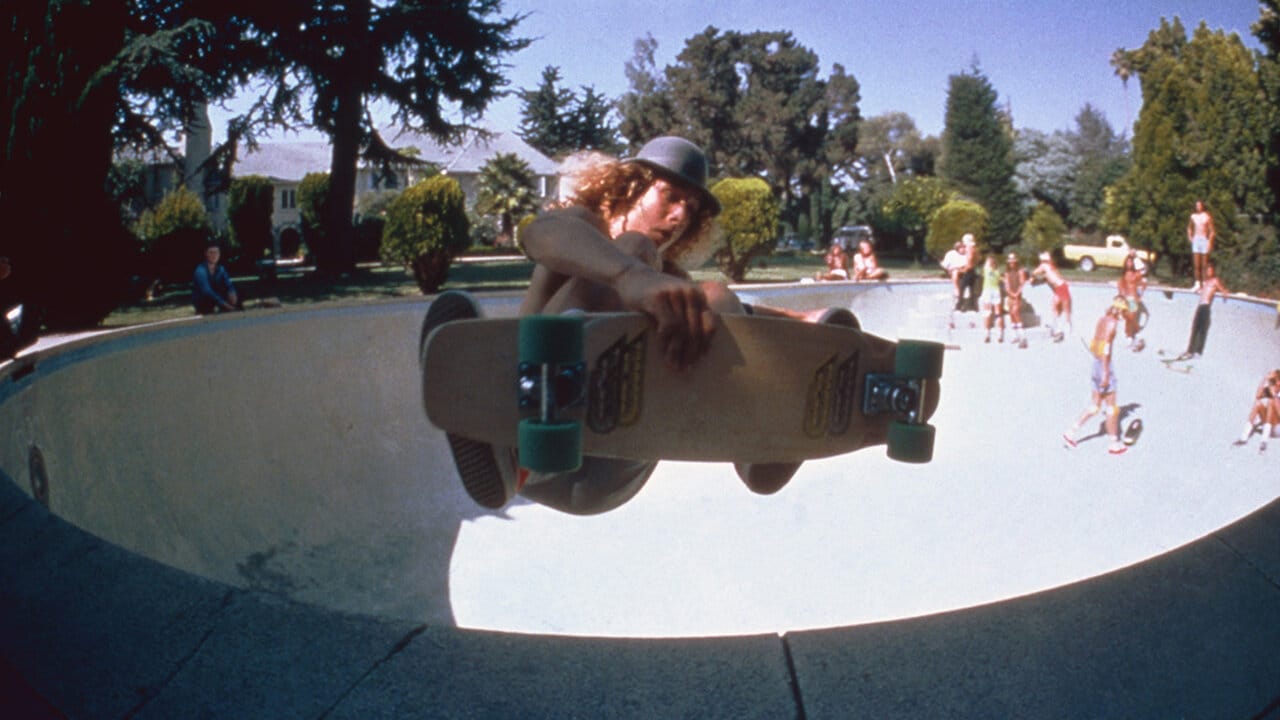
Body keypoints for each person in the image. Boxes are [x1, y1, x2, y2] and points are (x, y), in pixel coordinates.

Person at [423, 136, 846, 515]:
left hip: (616, 463)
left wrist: (807, 329)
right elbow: (539, 234)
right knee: (633, 248)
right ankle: (515, 451)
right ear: (629, 186)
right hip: (540, 445)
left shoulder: (674, 284)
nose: (680, 216)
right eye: (670, 197)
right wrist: (629, 274)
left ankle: (758, 446)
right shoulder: (578, 227)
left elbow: (737, 314)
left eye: (690, 210)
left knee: (713, 296)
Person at [1063, 297, 1129, 455]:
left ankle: (1071, 432)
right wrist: (1106, 373)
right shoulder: (1113, 324)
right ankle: (1114, 444)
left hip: (1096, 364)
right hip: (1105, 367)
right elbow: (1106, 348)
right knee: (1112, 409)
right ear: (1120, 310)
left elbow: (1096, 344)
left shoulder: (1102, 320)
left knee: (1095, 406)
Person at [1182, 262, 1229, 359]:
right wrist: (1197, 290)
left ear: (1213, 271)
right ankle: (1190, 350)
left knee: (1202, 330)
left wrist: (1225, 292)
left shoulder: (1215, 281)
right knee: (1195, 328)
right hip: (1200, 306)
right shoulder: (1205, 282)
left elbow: (1222, 289)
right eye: (1207, 270)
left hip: (1206, 307)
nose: (1209, 272)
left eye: (1210, 270)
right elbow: (1201, 292)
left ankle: (1198, 352)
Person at [1234, 370, 1280, 452]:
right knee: (1258, 404)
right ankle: (1244, 438)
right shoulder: (1271, 388)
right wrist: (1265, 379)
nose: (1272, 383)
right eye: (1272, 380)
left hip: (1278, 428)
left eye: (1274, 380)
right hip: (1270, 426)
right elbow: (1258, 396)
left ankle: (1264, 441)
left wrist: (1274, 396)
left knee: (1271, 402)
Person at [1031, 251, 1071, 341]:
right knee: (1057, 309)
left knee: (1055, 307)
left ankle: (1059, 329)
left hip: (1060, 287)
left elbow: (1034, 272)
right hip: (1062, 287)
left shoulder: (1045, 266)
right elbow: (1041, 281)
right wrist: (1034, 282)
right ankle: (1058, 329)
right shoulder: (1050, 270)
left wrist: (1031, 277)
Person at [192, 242, 241, 315]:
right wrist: (224, 304)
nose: (214, 255)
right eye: (211, 253)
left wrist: (232, 292)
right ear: (206, 254)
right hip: (203, 300)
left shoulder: (221, 268)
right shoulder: (200, 270)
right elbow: (207, 291)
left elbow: (228, 284)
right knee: (207, 296)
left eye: (216, 252)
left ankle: (234, 311)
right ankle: (223, 308)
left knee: (238, 291)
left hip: (217, 296)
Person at [1117, 248, 1148, 351]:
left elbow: (1144, 270)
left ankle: (1133, 336)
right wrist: (1121, 295)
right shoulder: (1124, 275)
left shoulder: (1137, 274)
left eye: (1130, 262)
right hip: (1125, 298)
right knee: (1127, 317)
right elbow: (1120, 285)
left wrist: (1135, 256)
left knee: (1131, 317)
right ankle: (1130, 337)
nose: (1128, 263)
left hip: (1132, 298)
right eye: (1127, 261)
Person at [1001, 252, 1029, 348]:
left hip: (1018, 296)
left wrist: (1017, 293)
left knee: (1015, 311)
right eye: (1010, 262)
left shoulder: (1020, 271)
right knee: (1011, 314)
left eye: (1013, 262)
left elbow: (1022, 283)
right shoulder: (1007, 273)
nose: (1012, 264)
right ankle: (1014, 334)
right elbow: (1006, 285)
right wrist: (1011, 293)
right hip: (1010, 296)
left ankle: (1022, 333)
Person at [1187, 199, 1215, 290]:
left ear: (1202, 206)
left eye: (1199, 205)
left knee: (1204, 264)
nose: (1198, 207)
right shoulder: (1193, 216)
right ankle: (1197, 283)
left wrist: (1210, 242)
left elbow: (1212, 231)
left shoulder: (1207, 216)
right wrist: (1190, 238)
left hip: (1204, 240)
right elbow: (1189, 228)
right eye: (1196, 205)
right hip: (1196, 240)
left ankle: (1204, 283)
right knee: (1196, 264)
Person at [978, 255, 1004, 343]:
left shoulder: (987, 269)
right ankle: (1000, 334)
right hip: (996, 290)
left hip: (988, 291)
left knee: (987, 312)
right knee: (998, 313)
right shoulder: (998, 272)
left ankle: (987, 334)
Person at [956, 233, 978, 312]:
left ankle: (959, 305)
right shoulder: (975, 249)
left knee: (962, 288)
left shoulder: (969, 249)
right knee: (972, 289)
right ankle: (973, 306)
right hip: (973, 271)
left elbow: (969, 263)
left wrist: (962, 270)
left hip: (968, 271)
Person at [940, 241, 965, 308]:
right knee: (955, 272)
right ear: (957, 248)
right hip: (952, 271)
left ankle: (957, 292)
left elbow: (966, 266)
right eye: (961, 248)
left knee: (956, 272)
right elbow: (945, 264)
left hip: (962, 271)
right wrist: (949, 268)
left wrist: (958, 268)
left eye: (964, 248)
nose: (963, 249)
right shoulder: (951, 254)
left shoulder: (966, 255)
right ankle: (957, 291)